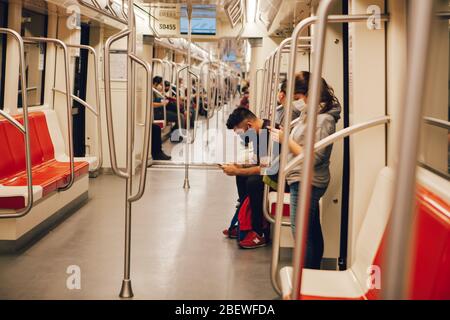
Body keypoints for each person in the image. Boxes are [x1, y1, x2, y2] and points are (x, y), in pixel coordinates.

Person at [270, 71, 341, 269]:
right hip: (300, 177)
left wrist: (286, 140)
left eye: (298, 98)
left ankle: (306, 277)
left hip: (307, 180)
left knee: (301, 233)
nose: (297, 103)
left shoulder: (323, 120)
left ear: (310, 93)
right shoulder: (310, 114)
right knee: (310, 231)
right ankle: (311, 272)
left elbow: (313, 156)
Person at [221, 107, 271, 249]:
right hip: (270, 170)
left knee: (253, 182)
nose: (241, 138)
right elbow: (258, 160)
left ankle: (259, 233)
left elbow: (265, 168)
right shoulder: (259, 131)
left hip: (278, 176)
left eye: (241, 134)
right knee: (242, 177)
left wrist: (238, 170)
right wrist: (239, 166)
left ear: (248, 126)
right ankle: (245, 224)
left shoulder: (266, 134)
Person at [153, 76, 185, 143]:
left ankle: (175, 135)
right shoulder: (151, 91)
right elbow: (150, 103)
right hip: (157, 112)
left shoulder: (157, 92)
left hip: (161, 110)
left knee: (181, 115)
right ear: (156, 83)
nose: (162, 86)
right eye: (161, 85)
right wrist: (162, 104)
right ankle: (175, 136)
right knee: (180, 116)